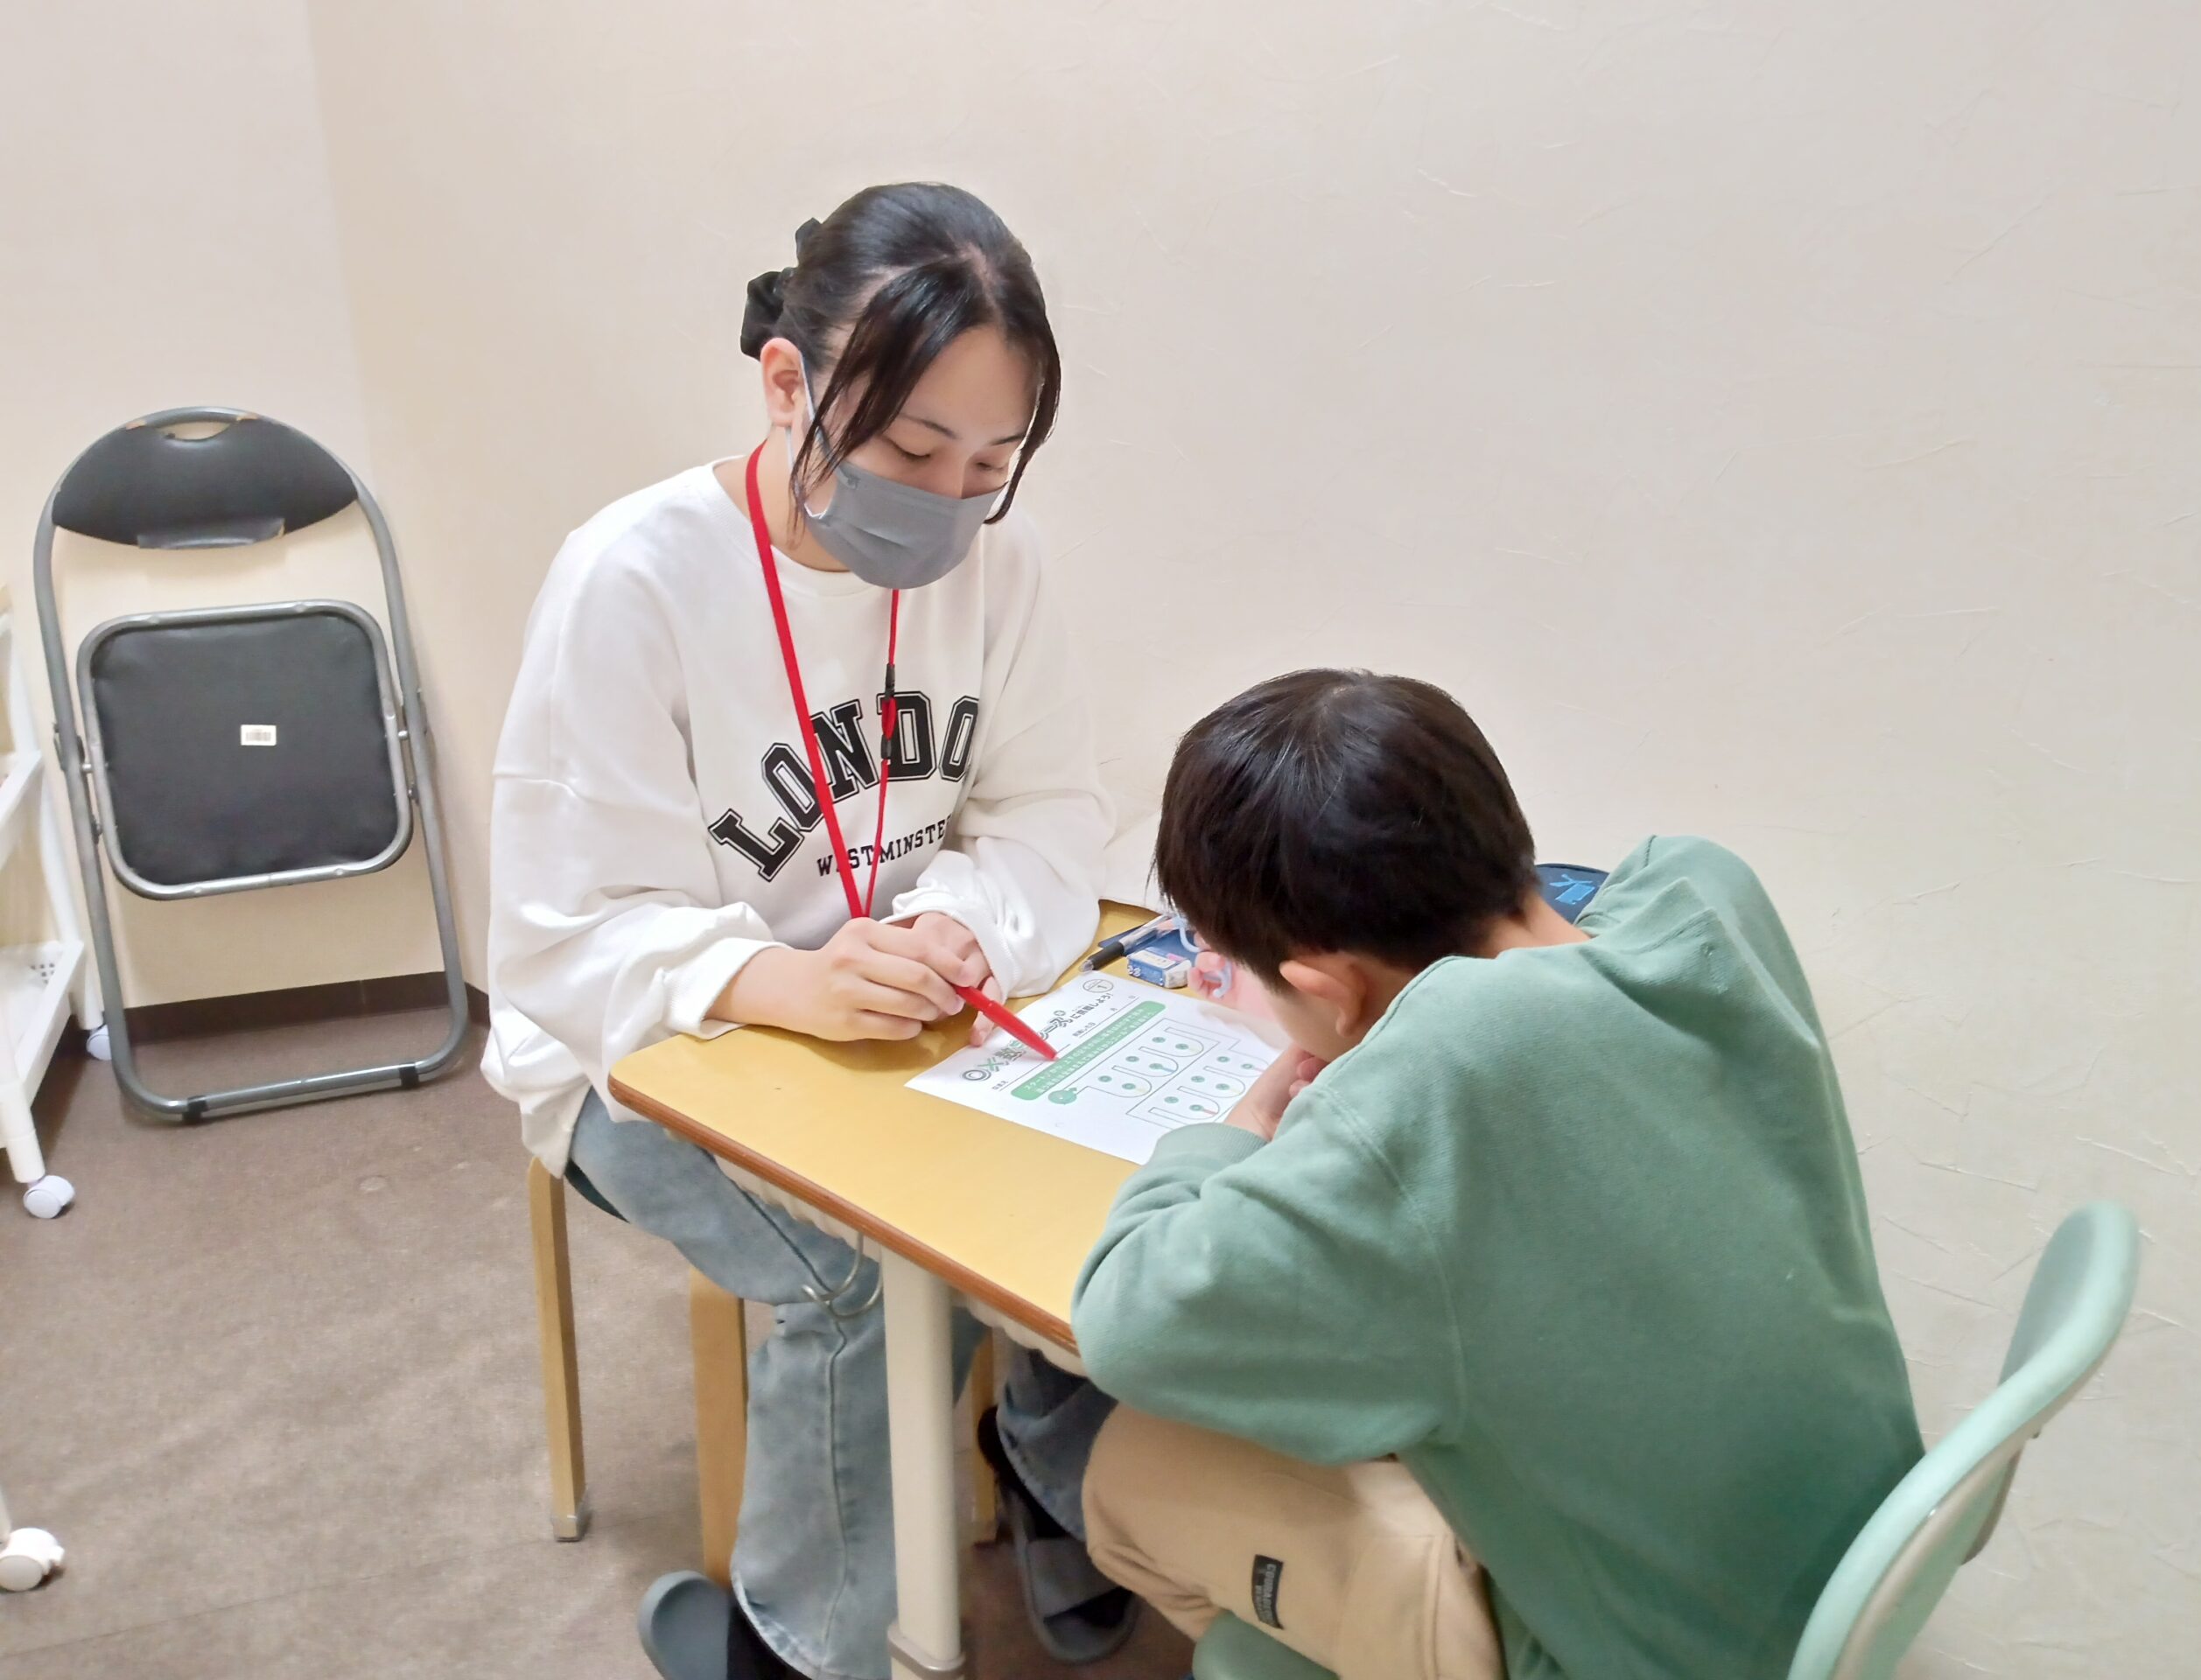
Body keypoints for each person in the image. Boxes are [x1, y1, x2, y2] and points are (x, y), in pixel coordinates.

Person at [482, 183, 1126, 1680]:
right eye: (911, 450)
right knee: (865, 1280)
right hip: (644, 1046)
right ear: (788, 383)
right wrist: (777, 980)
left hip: (906, 1013)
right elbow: (564, 935)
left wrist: (955, 923)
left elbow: (1048, 818)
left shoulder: (1002, 566)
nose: (949, 501)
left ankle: (1047, 1463)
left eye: (990, 465)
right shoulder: (632, 578)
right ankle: (791, 1649)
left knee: (1102, 1171)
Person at [1071, 669, 1924, 1680]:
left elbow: (1127, 1320)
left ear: (1328, 988)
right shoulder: (1702, 899)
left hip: (1636, 1655)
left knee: (1131, 1467)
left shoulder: (1437, 1084)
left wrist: (1232, 1134)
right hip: (1855, 1571)